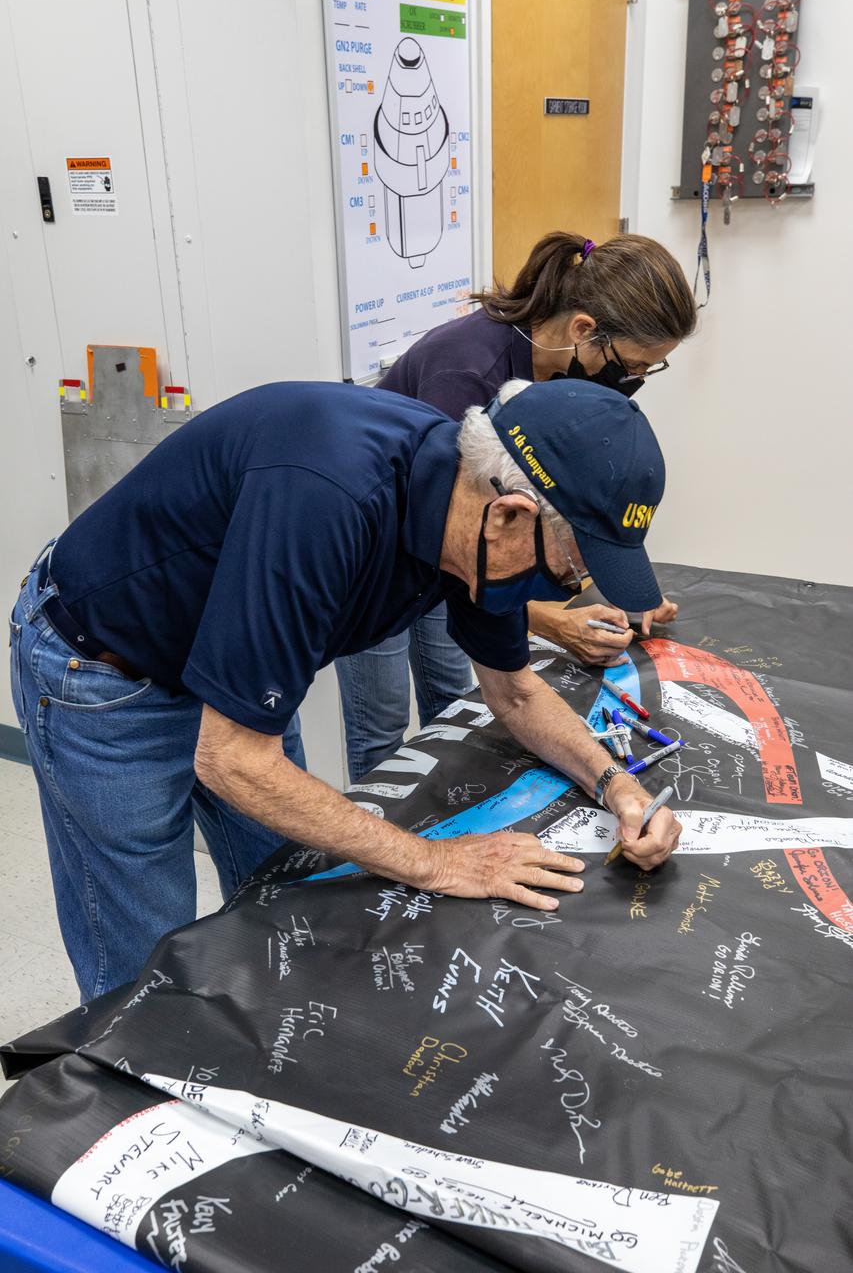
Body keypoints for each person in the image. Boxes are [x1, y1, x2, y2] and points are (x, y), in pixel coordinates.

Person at [9, 375, 681, 1001]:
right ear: (507, 515)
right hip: (104, 672)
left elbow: (515, 693)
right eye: (570, 568)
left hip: (223, 668)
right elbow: (236, 760)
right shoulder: (326, 500)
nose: (567, 591)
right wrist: (430, 861)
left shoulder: (469, 517)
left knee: (285, 897)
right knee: (145, 971)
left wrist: (615, 785)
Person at [336, 230, 697, 782]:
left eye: (651, 370)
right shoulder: (466, 375)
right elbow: (469, 552)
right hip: (378, 554)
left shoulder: (562, 379)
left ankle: (450, 810)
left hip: (452, 548)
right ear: (584, 331)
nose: (636, 381)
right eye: (636, 366)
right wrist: (554, 622)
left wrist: (615, 580)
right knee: (384, 728)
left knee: (456, 705)